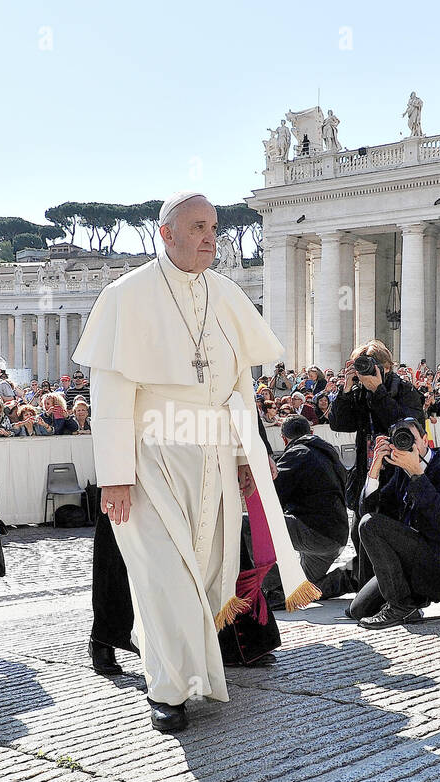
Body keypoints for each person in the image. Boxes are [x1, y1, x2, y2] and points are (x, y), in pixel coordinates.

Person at [72, 190, 297, 734]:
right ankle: (168, 689)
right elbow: (111, 395)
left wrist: (250, 452)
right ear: (165, 233)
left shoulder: (226, 295)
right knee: (163, 573)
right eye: (197, 226)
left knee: (205, 571)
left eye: (214, 227)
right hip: (152, 458)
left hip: (216, 455)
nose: (210, 236)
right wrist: (116, 477)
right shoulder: (126, 297)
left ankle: (194, 671)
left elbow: (241, 384)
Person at [322, 340, 424, 597]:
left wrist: (378, 391)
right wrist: (346, 391)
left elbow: (406, 426)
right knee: (361, 533)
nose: (366, 371)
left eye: (372, 365)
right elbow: (338, 424)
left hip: (397, 473)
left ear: (387, 367)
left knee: (393, 533)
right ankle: (370, 591)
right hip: (367, 472)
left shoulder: (404, 391)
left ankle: (397, 591)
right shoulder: (358, 392)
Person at [353, 421, 440, 628]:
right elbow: (369, 513)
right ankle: (409, 602)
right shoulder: (401, 471)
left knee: (369, 525)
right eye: (400, 441)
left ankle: (401, 606)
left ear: (425, 440)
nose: (407, 446)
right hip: (416, 558)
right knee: (359, 610)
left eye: (411, 440)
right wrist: (374, 469)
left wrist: (416, 473)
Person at [261, 414, 349, 608]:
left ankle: (274, 589)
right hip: (336, 539)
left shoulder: (298, 453)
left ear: (284, 439)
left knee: (247, 526)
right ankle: (346, 578)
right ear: (311, 432)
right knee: (301, 588)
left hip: (314, 535)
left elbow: (272, 494)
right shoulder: (330, 454)